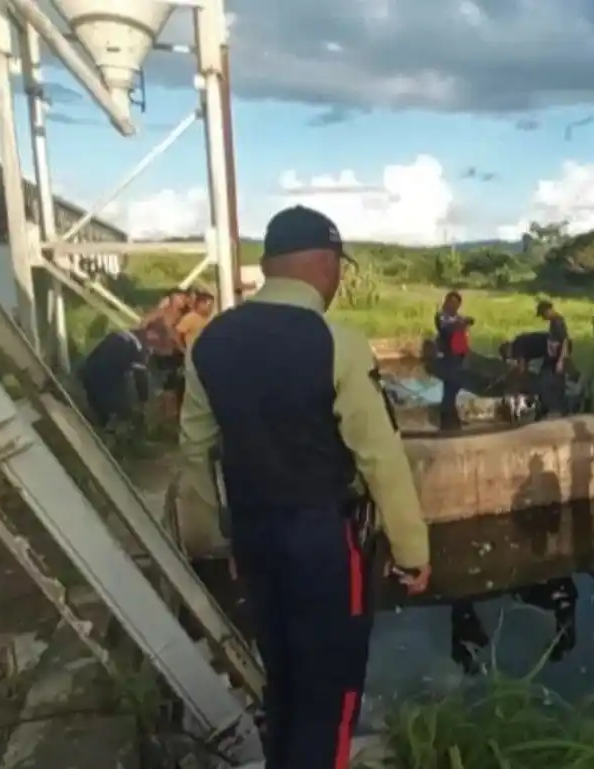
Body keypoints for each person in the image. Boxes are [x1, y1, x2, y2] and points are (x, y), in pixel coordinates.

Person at [179, 205, 432, 769]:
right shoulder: (335, 341)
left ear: (269, 265)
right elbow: (380, 457)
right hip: (323, 541)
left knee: (284, 681)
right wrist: (412, 550)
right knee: (330, 697)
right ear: (326, 265)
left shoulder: (209, 342)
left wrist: (216, 540)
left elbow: (195, 453)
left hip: (253, 534)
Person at [78, 321, 169, 429]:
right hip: (101, 383)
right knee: (126, 408)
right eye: (159, 340)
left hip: (87, 371)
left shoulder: (122, 333)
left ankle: (94, 409)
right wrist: (143, 401)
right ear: (153, 334)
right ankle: (100, 420)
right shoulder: (139, 348)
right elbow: (140, 377)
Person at [434, 291, 474, 430]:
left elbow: (464, 336)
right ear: (446, 302)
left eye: (456, 303)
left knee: (455, 387)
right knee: (450, 388)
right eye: (451, 302)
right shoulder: (441, 316)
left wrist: (467, 354)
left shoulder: (458, 318)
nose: (453, 305)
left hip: (459, 356)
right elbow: (447, 328)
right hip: (448, 356)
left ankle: (452, 418)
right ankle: (446, 421)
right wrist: (462, 323)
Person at [535, 300, 571, 418]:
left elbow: (565, 341)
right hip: (552, 357)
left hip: (557, 358)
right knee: (547, 382)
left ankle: (560, 410)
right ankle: (554, 409)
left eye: (543, 314)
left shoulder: (557, 322)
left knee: (554, 384)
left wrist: (561, 360)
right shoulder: (553, 322)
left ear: (548, 310)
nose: (543, 318)